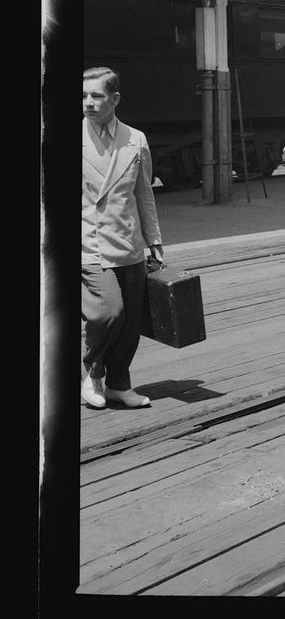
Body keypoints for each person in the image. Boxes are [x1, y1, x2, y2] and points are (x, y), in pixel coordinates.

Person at [81, 67, 164, 409]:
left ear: (115, 99)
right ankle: (90, 372)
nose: (87, 102)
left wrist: (154, 239)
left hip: (129, 243)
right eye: (84, 95)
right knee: (107, 312)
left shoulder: (136, 139)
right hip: (88, 242)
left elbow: (144, 194)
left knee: (130, 321)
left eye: (96, 96)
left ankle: (118, 383)